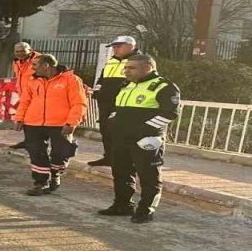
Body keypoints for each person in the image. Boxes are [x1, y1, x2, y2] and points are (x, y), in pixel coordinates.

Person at [99, 54, 180, 224]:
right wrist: (113, 122)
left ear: (146, 68)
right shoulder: (127, 85)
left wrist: (143, 130)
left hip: (146, 140)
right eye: (126, 67)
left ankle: (145, 210)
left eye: (131, 68)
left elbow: (170, 113)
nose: (125, 71)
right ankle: (122, 205)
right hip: (121, 138)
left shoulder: (164, 86)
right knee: (121, 173)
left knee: (149, 176)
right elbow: (117, 109)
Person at [13, 54, 87, 195]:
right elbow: (25, 101)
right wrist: (19, 118)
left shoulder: (71, 80)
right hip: (33, 123)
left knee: (61, 152)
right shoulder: (32, 81)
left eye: (35, 65)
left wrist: (72, 122)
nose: (32, 67)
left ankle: (55, 174)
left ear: (46, 65)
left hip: (61, 124)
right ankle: (41, 183)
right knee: (36, 153)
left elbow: (79, 103)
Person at [88, 35, 143, 166]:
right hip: (106, 101)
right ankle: (109, 157)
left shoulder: (139, 61)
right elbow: (102, 79)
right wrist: (97, 92)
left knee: (119, 131)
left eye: (118, 46)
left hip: (123, 103)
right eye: (113, 47)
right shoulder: (111, 60)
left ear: (130, 46)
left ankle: (122, 160)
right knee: (105, 129)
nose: (115, 49)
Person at [7, 42, 40, 149]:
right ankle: (28, 141)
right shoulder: (16, 62)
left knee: (34, 119)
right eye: (17, 51)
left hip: (37, 94)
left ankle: (36, 143)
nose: (20, 53)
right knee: (25, 118)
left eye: (23, 51)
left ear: (30, 50)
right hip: (24, 94)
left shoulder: (39, 60)